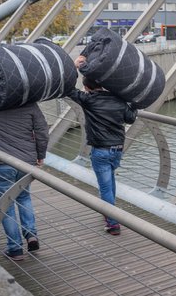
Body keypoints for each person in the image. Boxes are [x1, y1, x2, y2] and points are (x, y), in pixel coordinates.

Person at [67, 56, 137, 236]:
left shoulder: (89, 100)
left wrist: (74, 67)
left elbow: (66, 88)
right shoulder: (117, 99)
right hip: (117, 149)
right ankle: (110, 214)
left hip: (100, 150)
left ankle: (113, 224)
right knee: (111, 181)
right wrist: (132, 103)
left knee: (105, 187)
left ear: (87, 88)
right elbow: (130, 118)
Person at [0, 102, 48, 261]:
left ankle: (15, 248)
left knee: (6, 204)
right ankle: (31, 235)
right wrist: (40, 155)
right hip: (26, 160)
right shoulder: (30, 103)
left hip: (1, 161)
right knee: (24, 197)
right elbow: (42, 130)